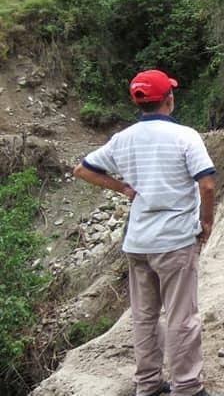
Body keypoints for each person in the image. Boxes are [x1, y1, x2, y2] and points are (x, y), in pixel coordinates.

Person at [73, 69, 216, 396]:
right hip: (175, 241)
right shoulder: (186, 137)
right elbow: (206, 184)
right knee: (182, 317)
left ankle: (148, 384)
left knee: (144, 316)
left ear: (139, 102)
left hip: (137, 243)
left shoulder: (123, 139)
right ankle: (187, 387)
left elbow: (82, 169)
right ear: (169, 99)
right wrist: (207, 222)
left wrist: (120, 186)